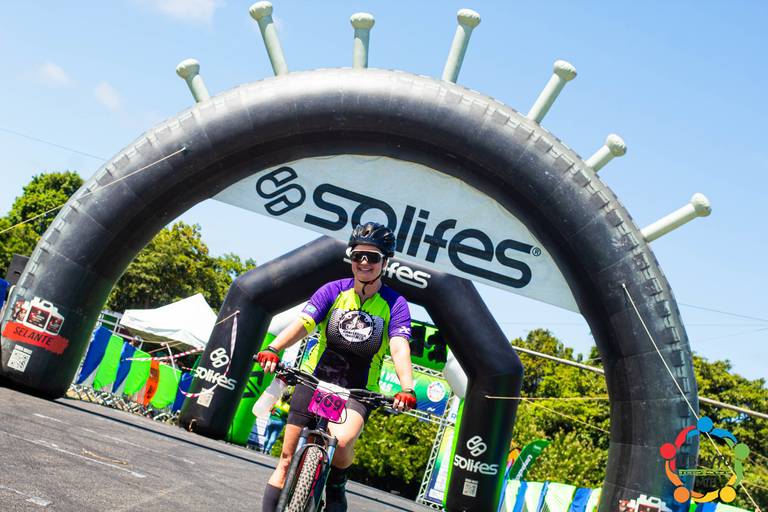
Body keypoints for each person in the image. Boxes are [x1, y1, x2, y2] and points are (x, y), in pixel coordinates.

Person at [257, 222, 418, 512]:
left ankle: (336, 482)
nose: (364, 262)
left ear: (385, 262)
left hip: (358, 390)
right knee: (286, 460)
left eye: (372, 257)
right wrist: (274, 348)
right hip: (314, 379)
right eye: (358, 256)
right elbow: (303, 324)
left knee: (341, 444)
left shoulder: (395, 304)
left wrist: (407, 387)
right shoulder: (333, 290)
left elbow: (398, 346)